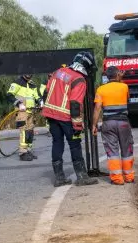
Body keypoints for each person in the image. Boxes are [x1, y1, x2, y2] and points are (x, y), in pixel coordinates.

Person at [41, 51, 99, 187]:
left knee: (57, 143)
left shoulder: (58, 72)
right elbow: (75, 104)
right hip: (66, 117)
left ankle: (59, 178)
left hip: (51, 115)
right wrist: (78, 126)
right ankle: (82, 177)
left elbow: (46, 92)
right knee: (75, 145)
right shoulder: (79, 79)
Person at [92, 66, 134, 185]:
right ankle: (129, 176)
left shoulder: (100, 89)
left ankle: (117, 179)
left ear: (106, 76)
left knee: (112, 151)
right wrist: (120, 80)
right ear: (117, 75)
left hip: (108, 123)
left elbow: (97, 109)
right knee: (127, 149)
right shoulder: (124, 86)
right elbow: (127, 99)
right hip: (123, 123)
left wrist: (94, 125)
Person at [6, 74, 43, 161]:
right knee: (24, 131)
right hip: (22, 112)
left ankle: (28, 150)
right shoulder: (17, 82)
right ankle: (23, 152)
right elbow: (9, 95)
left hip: (31, 111)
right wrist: (19, 104)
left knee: (30, 131)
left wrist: (40, 101)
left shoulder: (32, 84)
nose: (29, 74)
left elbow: (36, 96)